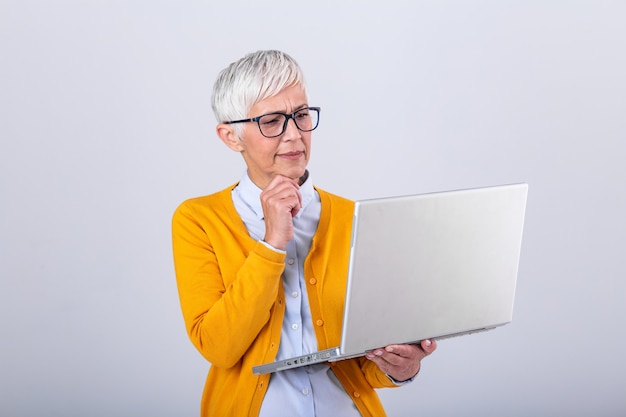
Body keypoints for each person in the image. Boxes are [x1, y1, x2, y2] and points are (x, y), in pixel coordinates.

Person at [171, 49, 437, 417]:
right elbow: (219, 347)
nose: (294, 134)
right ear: (231, 137)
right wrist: (272, 243)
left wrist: (402, 368)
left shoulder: (351, 216)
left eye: (300, 115)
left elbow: (365, 362)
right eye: (272, 121)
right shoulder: (198, 219)